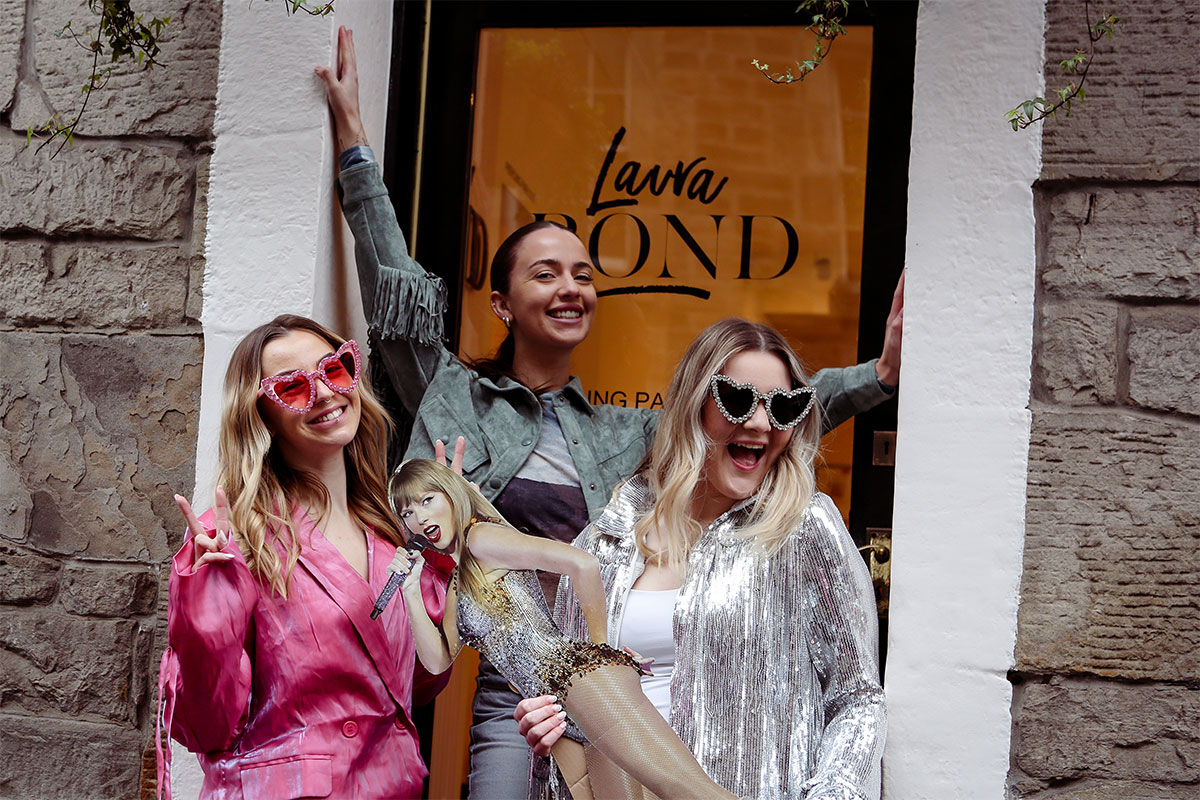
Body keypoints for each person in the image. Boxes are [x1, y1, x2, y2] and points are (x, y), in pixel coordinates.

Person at [318, 25, 901, 798]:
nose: (571, 287)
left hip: (603, 665)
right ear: (500, 302)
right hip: (507, 672)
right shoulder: (454, 394)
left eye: (585, 274)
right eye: (546, 273)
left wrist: (881, 376)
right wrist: (357, 148)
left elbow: (749, 409)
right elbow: (394, 293)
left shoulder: (623, 432)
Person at [517, 319, 886, 800]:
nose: (759, 423)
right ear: (695, 405)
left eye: (783, 408)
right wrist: (551, 721)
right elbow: (576, 696)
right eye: (737, 399)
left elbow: (857, 699)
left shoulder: (802, 528)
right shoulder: (608, 540)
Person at [156, 315, 441, 799]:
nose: (326, 394)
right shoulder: (232, 537)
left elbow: (416, 686)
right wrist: (207, 612)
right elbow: (204, 728)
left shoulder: (390, 532)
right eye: (292, 388)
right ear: (261, 414)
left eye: (335, 369)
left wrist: (441, 555)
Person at [391, 459, 736, 800]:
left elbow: (581, 563)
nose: (419, 518)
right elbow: (438, 660)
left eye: (427, 500)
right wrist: (409, 592)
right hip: (554, 707)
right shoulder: (459, 581)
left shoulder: (482, 538)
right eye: (407, 512)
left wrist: (602, 651)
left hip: (576, 677)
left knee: (691, 792)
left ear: (452, 494)